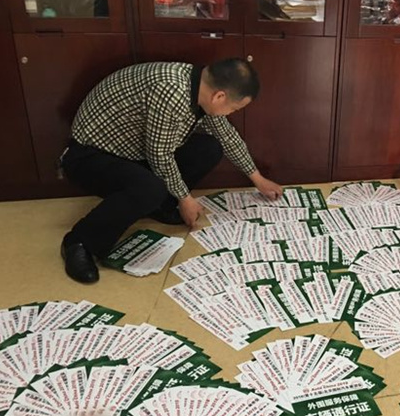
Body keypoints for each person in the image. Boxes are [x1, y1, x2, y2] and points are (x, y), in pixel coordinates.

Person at [60, 58, 282, 284]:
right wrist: (185, 198)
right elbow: (160, 156)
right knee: (150, 189)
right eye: (233, 108)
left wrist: (257, 178)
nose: (230, 113)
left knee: (209, 148)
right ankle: (80, 243)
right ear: (219, 96)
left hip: (133, 153)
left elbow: (226, 137)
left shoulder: (200, 88)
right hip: (89, 157)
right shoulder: (171, 92)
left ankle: (161, 206)